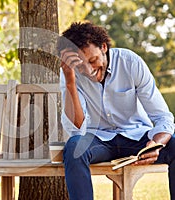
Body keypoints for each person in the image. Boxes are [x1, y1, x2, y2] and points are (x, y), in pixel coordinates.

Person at [57, 21, 175, 200]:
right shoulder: (71, 74)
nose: (88, 71)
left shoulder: (130, 63)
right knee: (74, 147)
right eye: (81, 66)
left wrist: (156, 144)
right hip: (99, 141)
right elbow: (77, 128)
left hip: (137, 139)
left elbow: (162, 116)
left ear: (103, 47)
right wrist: (70, 83)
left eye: (93, 60)